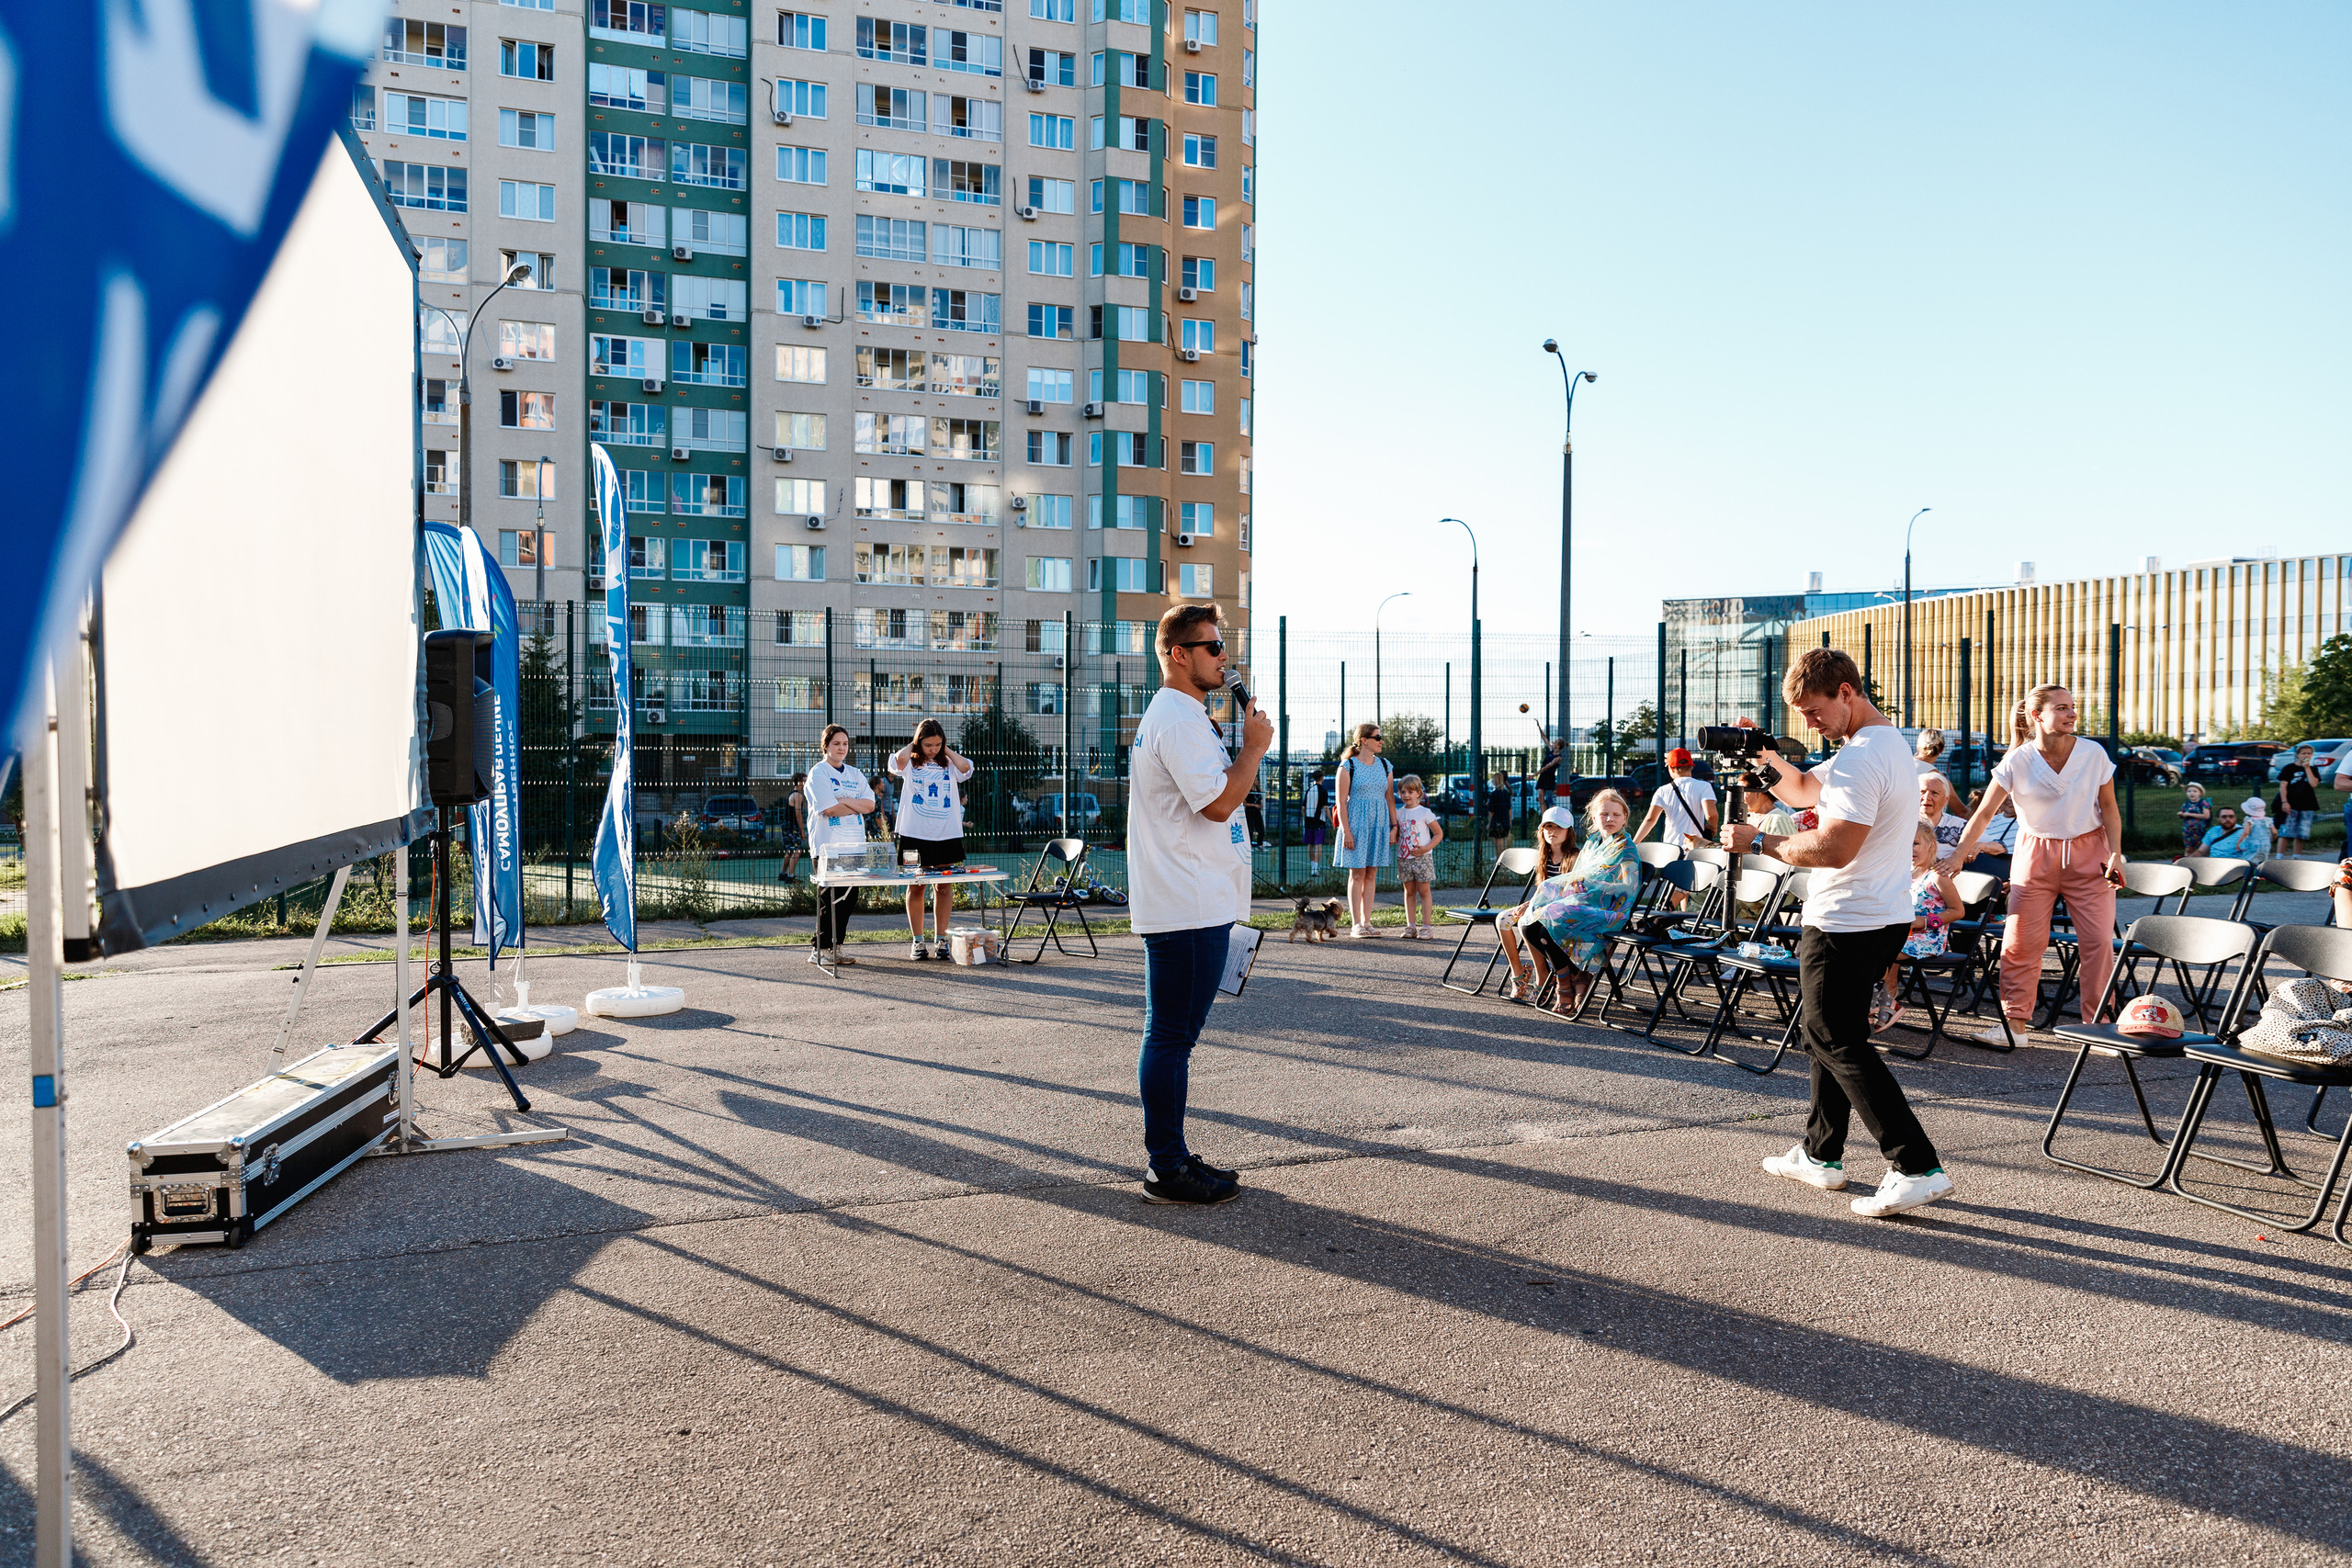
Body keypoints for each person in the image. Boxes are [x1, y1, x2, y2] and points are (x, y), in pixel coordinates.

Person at [1724, 649, 1955, 1218]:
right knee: (1827, 1030)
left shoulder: (1860, 758)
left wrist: (1757, 842)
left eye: (1814, 709)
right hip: (1878, 912)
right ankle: (1820, 1154)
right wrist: (1765, 758)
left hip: (1847, 917)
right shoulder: (1884, 746)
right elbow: (1804, 789)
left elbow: (1833, 847)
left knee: (1833, 1036)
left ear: (1846, 692)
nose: (1810, 722)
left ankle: (1915, 1165)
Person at [1126, 602, 1272, 1206]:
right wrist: (1255, 749)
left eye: (1223, 646)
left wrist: (1242, 748)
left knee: (1172, 1034)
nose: (1224, 658)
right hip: (1186, 904)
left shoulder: (1187, 716)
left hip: (1196, 898)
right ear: (1178, 654)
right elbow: (1216, 803)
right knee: (1171, 1037)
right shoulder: (1180, 720)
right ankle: (1166, 1165)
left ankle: (1174, 1154)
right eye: (1212, 647)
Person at [1940, 684, 2125, 1040]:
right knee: (2020, 941)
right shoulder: (2017, 760)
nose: (2072, 713)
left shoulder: (2093, 754)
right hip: (2034, 854)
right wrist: (1960, 852)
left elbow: (2111, 809)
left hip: (2090, 855)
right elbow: (1982, 815)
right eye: (2062, 708)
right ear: (2038, 716)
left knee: (2098, 943)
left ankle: (2100, 1027)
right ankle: (2015, 1026)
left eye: (2073, 707)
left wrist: (2116, 852)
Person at [1501, 795, 1639, 1017]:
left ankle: (1564, 986)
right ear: (1594, 817)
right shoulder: (1593, 844)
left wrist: (1591, 890)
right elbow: (1577, 878)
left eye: (1616, 814)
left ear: (1625, 818)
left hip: (1610, 911)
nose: (1610, 819)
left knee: (1550, 922)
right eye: (1604, 814)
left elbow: (1628, 888)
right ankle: (1575, 976)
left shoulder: (1626, 848)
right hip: (1581, 903)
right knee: (1530, 925)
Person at [887, 717, 976, 960]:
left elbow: (966, 768)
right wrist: (915, 746)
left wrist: (944, 750)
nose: (933, 749)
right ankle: (917, 942)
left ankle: (941, 940)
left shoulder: (949, 763)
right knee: (917, 886)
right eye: (928, 745)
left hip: (947, 835)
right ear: (919, 742)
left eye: (937, 744)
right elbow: (898, 762)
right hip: (914, 835)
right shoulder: (910, 763)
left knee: (944, 886)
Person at [803, 725, 877, 965]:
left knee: (847, 900)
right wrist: (853, 803)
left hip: (853, 847)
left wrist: (844, 799)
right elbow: (829, 808)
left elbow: (870, 806)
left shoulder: (855, 774)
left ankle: (837, 947)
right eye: (836, 743)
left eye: (845, 744)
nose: (841, 748)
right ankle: (819, 950)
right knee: (829, 900)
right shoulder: (818, 774)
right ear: (825, 746)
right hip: (828, 848)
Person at [1881, 820, 1963, 1035]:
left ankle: (1886, 1001)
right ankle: (1883, 1000)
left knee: (1882, 951)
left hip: (1927, 939)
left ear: (1932, 846)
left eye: (1916, 843)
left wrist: (1926, 922)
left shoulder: (1937, 876)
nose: (1910, 849)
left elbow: (1958, 911)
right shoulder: (1903, 873)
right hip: (1903, 934)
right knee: (1869, 944)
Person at [1333, 722, 1398, 938]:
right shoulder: (1347, 766)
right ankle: (1356, 924)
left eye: (1381, 737)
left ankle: (1368, 922)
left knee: (1371, 874)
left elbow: (1390, 798)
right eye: (1377, 737)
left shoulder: (1385, 765)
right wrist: (1347, 832)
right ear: (1363, 740)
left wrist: (1394, 826)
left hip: (1378, 824)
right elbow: (1341, 803)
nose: (1381, 741)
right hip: (1356, 825)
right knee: (1358, 873)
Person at [1635, 748, 1719, 849]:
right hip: (1696, 848)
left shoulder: (1662, 791)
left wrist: (1634, 843)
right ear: (1691, 767)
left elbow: (1650, 820)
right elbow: (1711, 815)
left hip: (1671, 849)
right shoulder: (1704, 786)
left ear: (1671, 768)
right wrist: (1713, 827)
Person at [1394, 774, 1444, 938]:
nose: (1406, 795)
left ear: (1418, 793)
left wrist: (1425, 849)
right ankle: (1410, 926)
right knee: (1409, 892)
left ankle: (1426, 927)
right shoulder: (1398, 814)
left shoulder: (1425, 812)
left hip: (1423, 859)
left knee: (1424, 891)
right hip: (1404, 859)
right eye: (1403, 792)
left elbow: (1438, 834)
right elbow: (1397, 835)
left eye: (1410, 791)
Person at [2280, 748, 2323, 857]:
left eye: (2309, 753)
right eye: (2304, 753)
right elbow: (2283, 786)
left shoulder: (2313, 769)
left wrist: (2307, 768)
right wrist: (2284, 801)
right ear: (2297, 755)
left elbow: (2313, 784)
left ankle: (2296, 856)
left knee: (2301, 834)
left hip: (2307, 804)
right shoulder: (2289, 768)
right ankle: (2279, 856)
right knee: (2285, 832)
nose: (2306, 755)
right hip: (2291, 803)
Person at [1918, 772, 1969, 855]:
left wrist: (1978, 846)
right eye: (1922, 792)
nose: (1927, 797)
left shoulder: (1958, 825)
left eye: (1934, 793)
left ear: (1946, 799)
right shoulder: (1903, 823)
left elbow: (1997, 845)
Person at [775, 773, 809, 884]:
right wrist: (802, 831)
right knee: (797, 850)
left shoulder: (793, 794)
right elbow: (798, 815)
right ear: (799, 782)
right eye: (804, 780)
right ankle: (790, 876)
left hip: (787, 825)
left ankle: (783, 874)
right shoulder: (798, 796)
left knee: (790, 851)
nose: (806, 783)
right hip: (792, 826)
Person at [1301, 772, 1328, 879]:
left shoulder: (1309, 790)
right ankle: (1315, 869)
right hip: (1319, 821)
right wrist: (1331, 820)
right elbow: (1325, 808)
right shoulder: (1323, 791)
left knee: (1310, 844)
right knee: (1318, 844)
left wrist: (1305, 819)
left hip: (1309, 821)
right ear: (1322, 778)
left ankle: (1313, 867)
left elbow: (1303, 808)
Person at [2177, 782, 2212, 857]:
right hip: (2187, 830)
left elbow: (2206, 816)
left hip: (2199, 830)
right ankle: (2186, 863)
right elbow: (2182, 813)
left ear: (2200, 793)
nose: (2191, 793)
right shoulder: (2186, 804)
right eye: (2189, 791)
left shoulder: (2203, 803)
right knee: (2188, 849)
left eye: (2194, 791)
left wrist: (2189, 814)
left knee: (2202, 849)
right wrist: (2181, 814)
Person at [1483, 770, 1513, 856]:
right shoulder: (1506, 794)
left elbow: (1491, 811)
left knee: (1497, 844)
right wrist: (1510, 821)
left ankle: (1500, 863)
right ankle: (1502, 863)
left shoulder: (1494, 794)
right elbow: (1509, 809)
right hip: (1505, 820)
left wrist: (1489, 822)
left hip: (1496, 821)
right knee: (1503, 843)